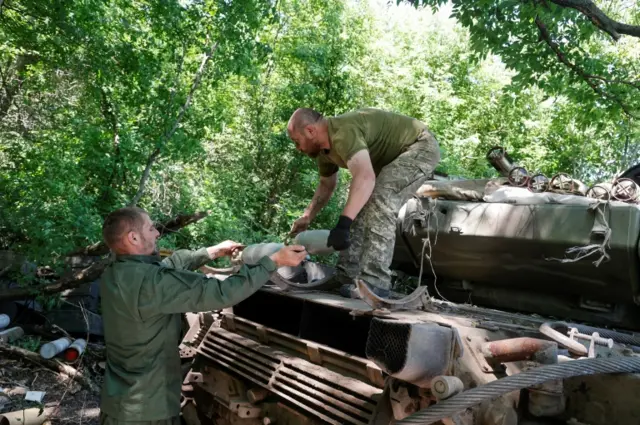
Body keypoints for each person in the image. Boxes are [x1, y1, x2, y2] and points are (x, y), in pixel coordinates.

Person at [98, 206, 307, 425]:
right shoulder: (152, 284)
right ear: (133, 237)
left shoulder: (116, 273)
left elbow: (166, 268)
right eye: (150, 228)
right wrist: (272, 262)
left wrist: (212, 252)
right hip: (146, 412)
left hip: (118, 405)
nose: (157, 233)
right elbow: (222, 292)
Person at [287, 107, 440, 298]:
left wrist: (343, 225)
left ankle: (376, 282)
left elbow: (365, 177)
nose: (298, 148)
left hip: (420, 147)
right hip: (391, 160)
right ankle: (346, 276)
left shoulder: (343, 132)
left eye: (297, 141)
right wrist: (307, 217)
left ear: (310, 131)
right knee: (357, 204)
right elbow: (326, 185)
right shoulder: (324, 151)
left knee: (380, 198)